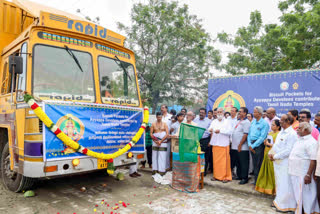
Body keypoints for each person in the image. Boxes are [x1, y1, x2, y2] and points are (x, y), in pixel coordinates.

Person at [268, 114, 297, 212]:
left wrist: (275, 156)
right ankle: (279, 202)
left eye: (282, 120)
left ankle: (286, 206)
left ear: (288, 121)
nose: (279, 121)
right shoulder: (281, 132)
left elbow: (289, 150)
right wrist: (270, 153)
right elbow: (276, 146)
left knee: (286, 184)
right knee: (279, 183)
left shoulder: (292, 134)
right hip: (278, 163)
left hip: (285, 163)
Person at [289, 122, 320, 214]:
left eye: (299, 128)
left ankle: (308, 211)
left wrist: (308, 175)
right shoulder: (299, 140)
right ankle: (299, 210)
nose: (297, 129)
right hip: (295, 172)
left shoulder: (311, 142)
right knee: (298, 194)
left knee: (307, 195)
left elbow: (313, 160)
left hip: (303, 174)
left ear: (305, 130)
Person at [255, 119, 280, 195]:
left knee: (272, 171)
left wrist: (269, 144)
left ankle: (273, 189)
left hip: (273, 154)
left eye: (273, 125)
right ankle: (264, 187)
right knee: (265, 170)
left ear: (278, 127)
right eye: (271, 125)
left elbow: (278, 146)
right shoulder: (270, 133)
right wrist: (265, 142)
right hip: (266, 152)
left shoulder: (279, 134)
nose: (271, 126)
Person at [208, 107, 233, 183]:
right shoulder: (214, 121)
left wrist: (220, 131)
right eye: (218, 112)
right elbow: (209, 129)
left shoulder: (227, 121)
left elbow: (230, 132)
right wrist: (210, 130)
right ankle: (216, 176)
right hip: (215, 143)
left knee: (224, 162)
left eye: (221, 112)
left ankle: (226, 177)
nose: (219, 113)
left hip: (224, 144)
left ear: (223, 113)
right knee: (216, 161)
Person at [247, 106, 269, 185]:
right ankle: (256, 181)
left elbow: (262, 137)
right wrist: (249, 144)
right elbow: (249, 134)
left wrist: (253, 146)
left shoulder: (264, 123)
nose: (253, 113)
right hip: (251, 144)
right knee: (254, 163)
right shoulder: (253, 122)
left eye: (255, 112)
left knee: (258, 164)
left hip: (258, 145)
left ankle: (259, 182)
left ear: (259, 113)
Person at [231, 107, 251, 184]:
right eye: (238, 111)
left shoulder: (246, 122)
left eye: (240, 112)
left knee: (243, 163)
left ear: (245, 113)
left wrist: (240, 145)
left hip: (242, 147)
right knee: (238, 162)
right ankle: (239, 176)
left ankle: (244, 178)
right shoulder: (238, 121)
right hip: (235, 146)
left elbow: (245, 134)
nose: (239, 113)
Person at [194, 108, 212, 176]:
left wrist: (210, 141)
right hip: (196, 140)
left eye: (202, 113)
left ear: (205, 114)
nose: (201, 114)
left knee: (205, 156)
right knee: (197, 155)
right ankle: (196, 170)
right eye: (200, 112)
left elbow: (211, 132)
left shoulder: (209, 121)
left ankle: (203, 171)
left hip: (205, 140)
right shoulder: (195, 120)